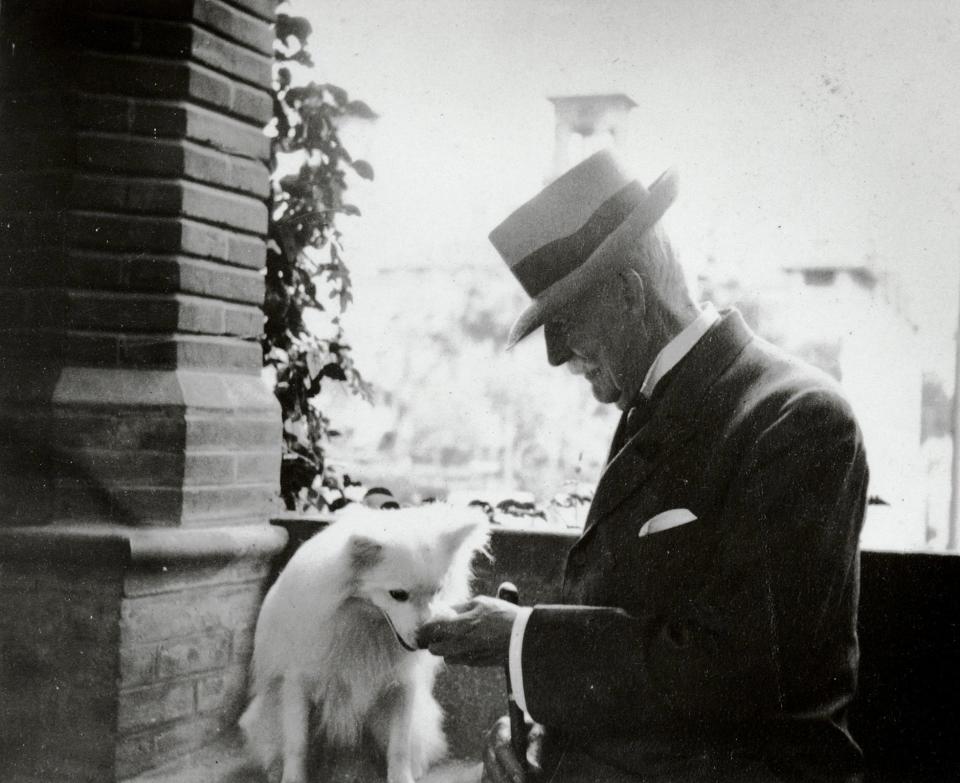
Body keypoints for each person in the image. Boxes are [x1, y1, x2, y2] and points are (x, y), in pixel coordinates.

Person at [418, 150, 869, 783]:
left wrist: (523, 642)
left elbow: (742, 674)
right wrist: (539, 733)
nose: (557, 357)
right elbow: (635, 631)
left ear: (630, 294)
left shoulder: (799, 418)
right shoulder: (652, 410)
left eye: (565, 320)